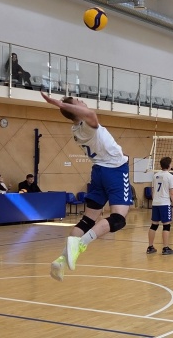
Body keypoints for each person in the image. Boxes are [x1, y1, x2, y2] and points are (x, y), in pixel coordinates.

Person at [41, 93, 131, 281]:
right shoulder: (88, 124)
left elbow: (84, 114)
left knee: (86, 221)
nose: (82, 102)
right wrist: (59, 104)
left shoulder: (76, 129)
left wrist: (65, 106)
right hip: (115, 170)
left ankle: (61, 260)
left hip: (98, 172)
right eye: (78, 101)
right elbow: (90, 114)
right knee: (118, 219)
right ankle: (81, 244)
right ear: (76, 110)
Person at [147, 157, 173, 255]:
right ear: (169, 165)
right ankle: (165, 248)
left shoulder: (155, 175)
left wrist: (155, 200)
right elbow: (172, 192)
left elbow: (152, 190)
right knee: (166, 225)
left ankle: (150, 247)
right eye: (171, 163)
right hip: (164, 203)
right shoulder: (170, 176)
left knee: (154, 225)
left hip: (155, 203)